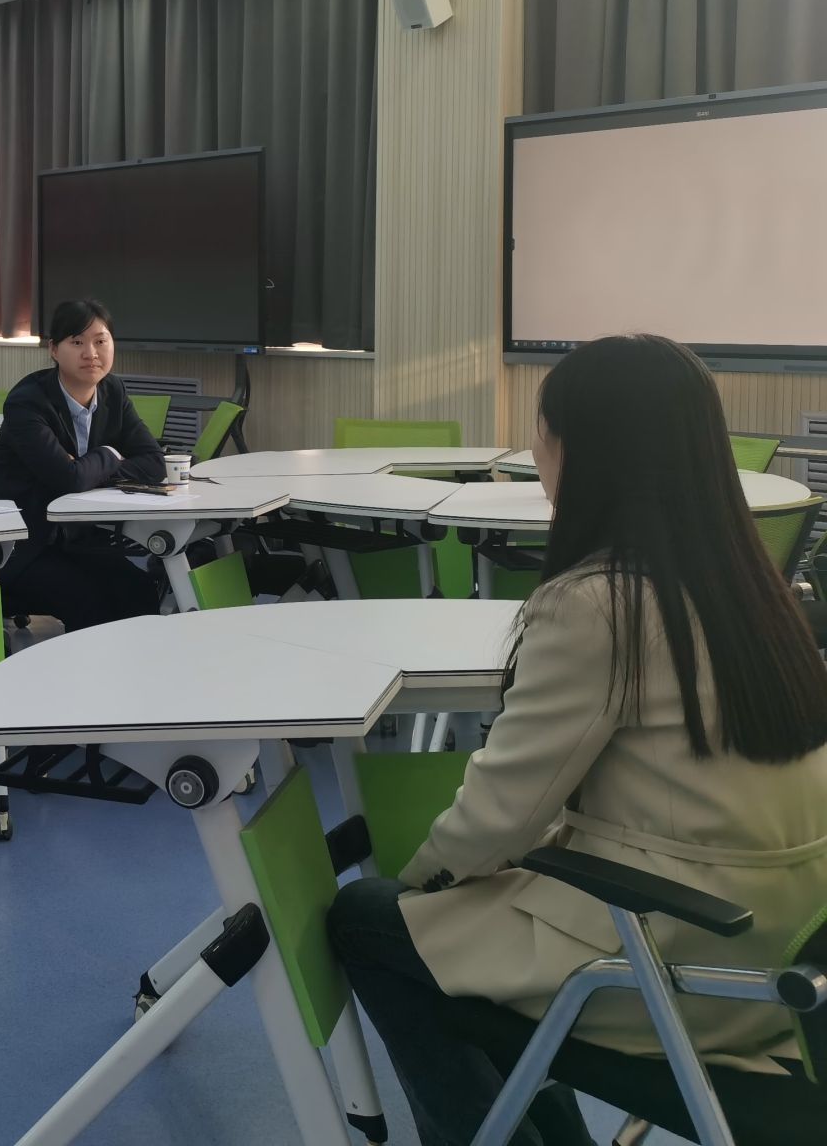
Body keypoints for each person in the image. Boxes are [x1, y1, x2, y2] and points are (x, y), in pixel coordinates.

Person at [329, 334, 827, 1146]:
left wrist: (423, 890)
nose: (537, 452)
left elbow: (502, 814)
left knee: (369, 919)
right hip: (790, 948)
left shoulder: (599, 605)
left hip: (678, 954)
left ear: (581, 450)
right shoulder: (755, 592)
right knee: (468, 930)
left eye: (543, 431)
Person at [0, 298, 167, 631]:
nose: (91, 353)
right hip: (18, 547)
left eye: (100, 341)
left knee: (138, 589)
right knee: (89, 600)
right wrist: (109, 455)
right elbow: (69, 479)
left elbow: (153, 463)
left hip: (76, 541)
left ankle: (136, 665)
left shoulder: (112, 391)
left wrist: (87, 469)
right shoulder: (27, 401)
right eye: (77, 342)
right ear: (54, 350)